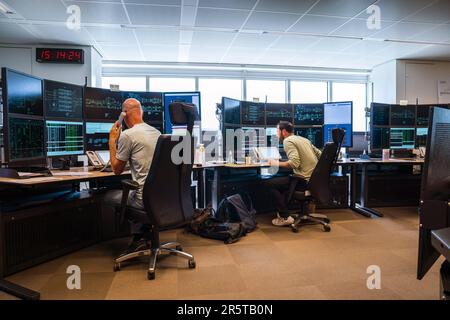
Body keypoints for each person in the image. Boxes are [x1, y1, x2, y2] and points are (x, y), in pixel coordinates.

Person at [106, 98, 161, 254]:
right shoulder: (157, 133)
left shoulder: (128, 136)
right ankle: (142, 236)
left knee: (108, 195)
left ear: (124, 115)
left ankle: (137, 236)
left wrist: (112, 140)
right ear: (141, 112)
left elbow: (116, 169)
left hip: (143, 199)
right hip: (160, 198)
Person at [265, 121, 321, 227]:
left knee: (269, 183)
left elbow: (294, 163)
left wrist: (275, 163)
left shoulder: (288, 141)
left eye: (277, 131)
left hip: (302, 180)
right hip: (314, 180)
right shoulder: (304, 139)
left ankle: (285, 216)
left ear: (284, 131)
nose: (277, 134)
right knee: (280, 180)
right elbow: (320, 155)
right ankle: (283, 211)